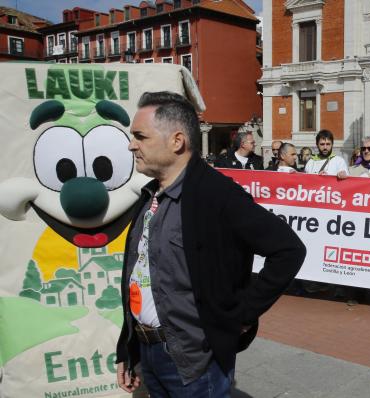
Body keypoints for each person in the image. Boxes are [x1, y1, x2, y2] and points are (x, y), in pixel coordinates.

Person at [116, 91, 306, 396]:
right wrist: (127, 348)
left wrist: (241, 313)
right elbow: (140, 276)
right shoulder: (151, 196)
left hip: (195, 361)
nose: (131, 144)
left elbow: (289, 250)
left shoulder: (218, 195)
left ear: (177, 141)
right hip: (149, 352)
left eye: (140, 136)